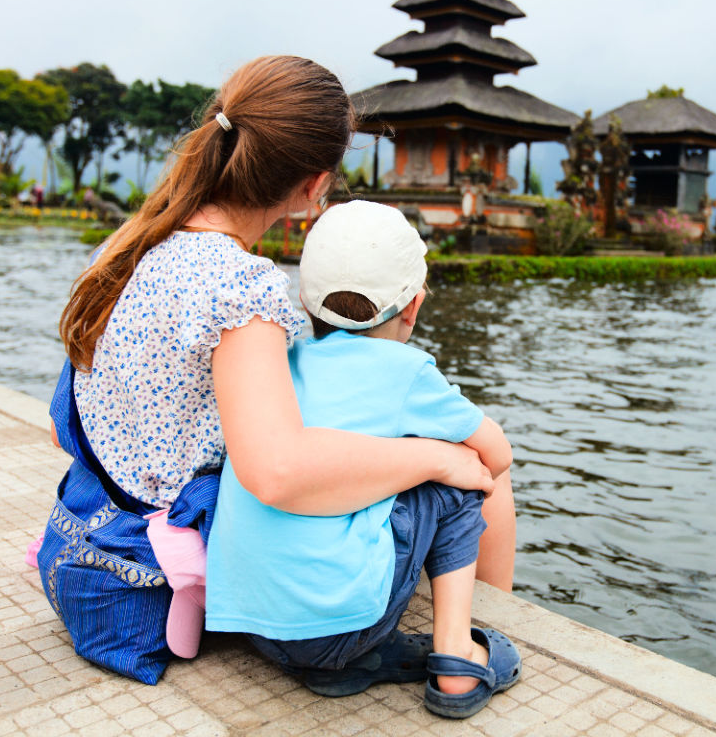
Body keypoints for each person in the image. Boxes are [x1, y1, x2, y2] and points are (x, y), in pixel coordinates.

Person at [36, 55, 504, 686]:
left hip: (91, 528)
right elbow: (277, 472)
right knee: (473, 474)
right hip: (165, 565)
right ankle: (477, 631)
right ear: (315, 185)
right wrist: (434, 459)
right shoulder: (240, 284)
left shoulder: (133, 243)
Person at [206, 201, 521, 719]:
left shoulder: (280, 363)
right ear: (414, 307)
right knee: (465, 471)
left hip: (254, 628)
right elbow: (499, 454)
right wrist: (442, 453)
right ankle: (458, 656)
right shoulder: (409, 372)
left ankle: (348, 661)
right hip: (340, 626)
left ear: (304, 301)